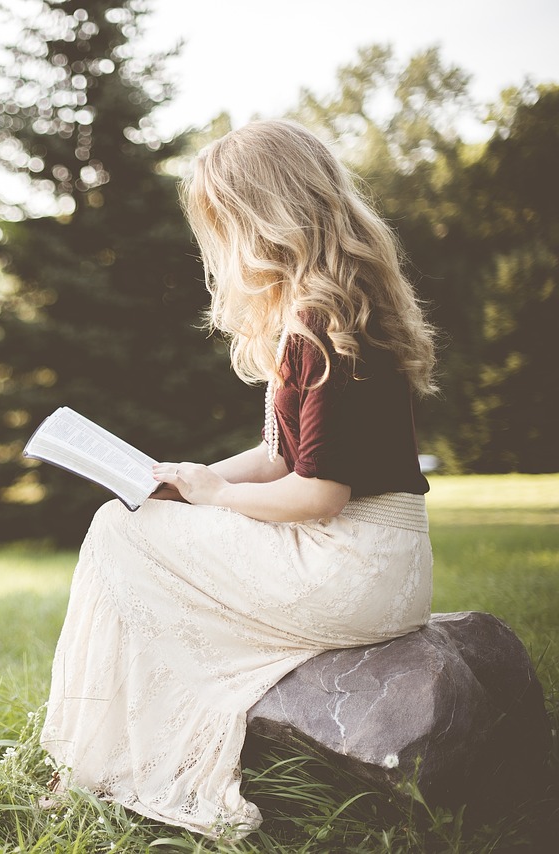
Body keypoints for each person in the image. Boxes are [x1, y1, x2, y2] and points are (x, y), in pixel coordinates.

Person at [38, 118, 439, 840]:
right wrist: (188, 477)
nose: (218, 245)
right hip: (380, 564)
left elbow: (319, 494)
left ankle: (98, 762)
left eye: (224, 222)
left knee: (115, 530)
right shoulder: (332, 306)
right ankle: (105, 754)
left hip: (350, 564)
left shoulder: (320, 320)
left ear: (265, 216)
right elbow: (278, 456)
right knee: (134, 521)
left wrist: (217, 498)